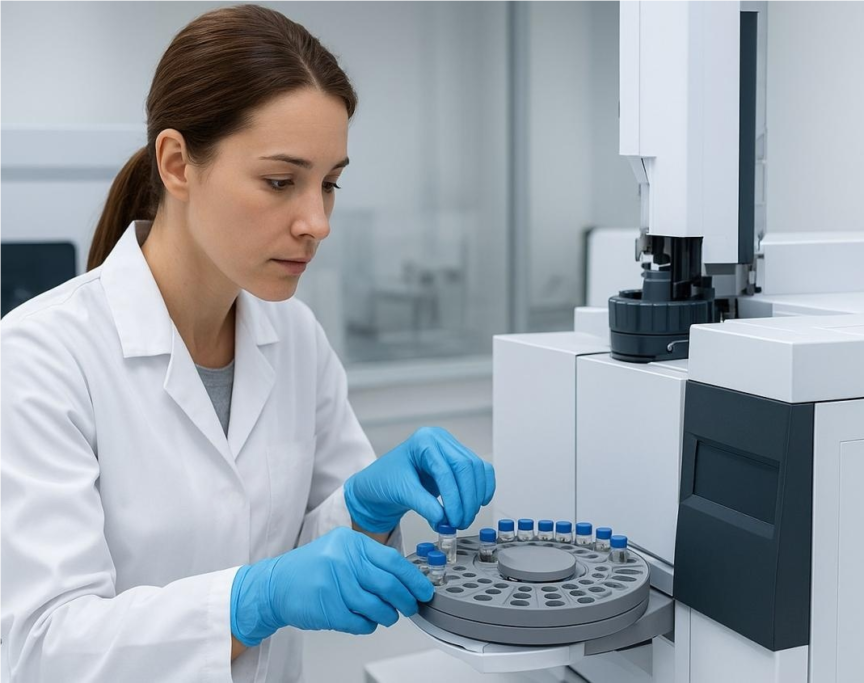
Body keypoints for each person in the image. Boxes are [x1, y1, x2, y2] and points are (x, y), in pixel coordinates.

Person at [0, 6, 495, 682]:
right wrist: (249, 598)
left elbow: (318, 559)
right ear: (177, 163)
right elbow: (44, 647)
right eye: (280, 181)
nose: (316, 222)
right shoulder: (41, 357)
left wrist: (364, 508)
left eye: (330, 183)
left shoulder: (295, 337)